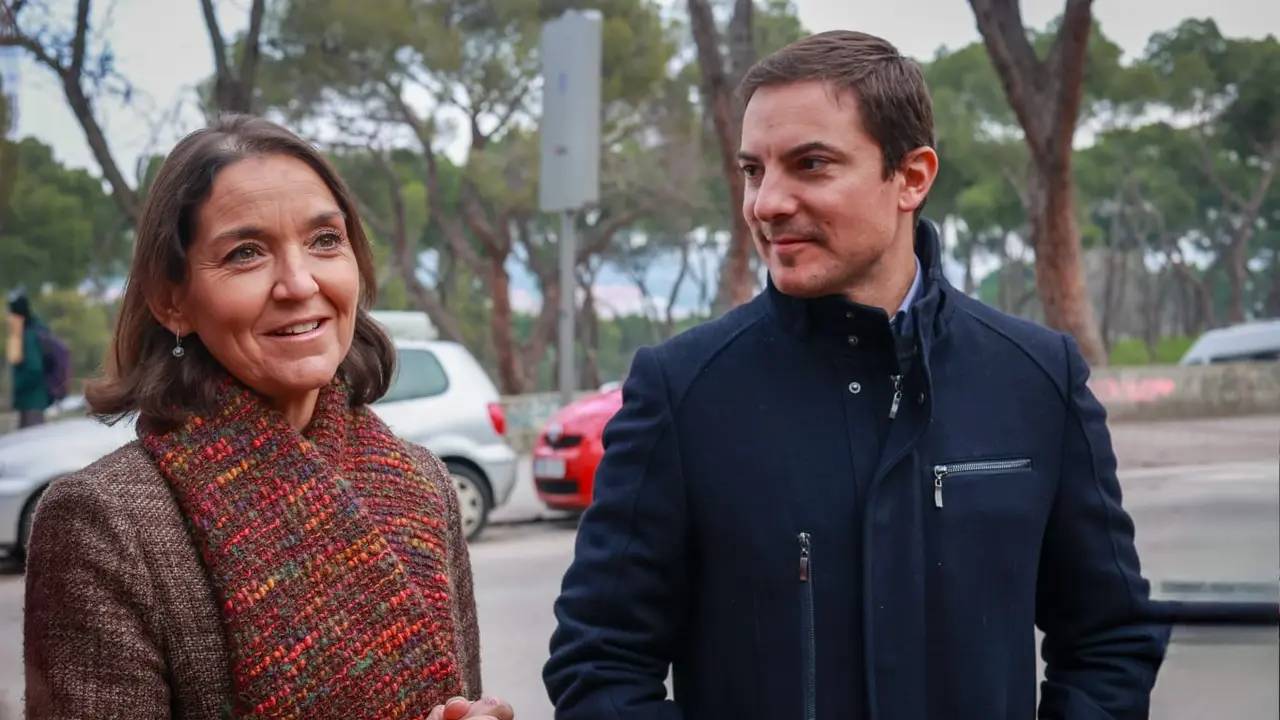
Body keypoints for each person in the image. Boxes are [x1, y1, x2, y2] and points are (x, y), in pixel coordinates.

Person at [543, 30, 1169, 720]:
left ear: (911, 177)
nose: (766, 202)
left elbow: (1110, 638)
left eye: (810, 164)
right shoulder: (682, 391)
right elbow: (597, 663)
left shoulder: (1037, 378)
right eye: (754, 170)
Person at [24, 115, 513, 720]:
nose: (299, 282)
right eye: (246, 253)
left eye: (325, 241)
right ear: (170, 299)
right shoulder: (103, 523)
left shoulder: (422, 485)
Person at [6, 291, 51, 429]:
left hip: (32, 401)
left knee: (33, 443)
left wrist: (19, 386)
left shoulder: (28, 336)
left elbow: (34, 368)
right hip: (30, 401)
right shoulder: (27, 332)